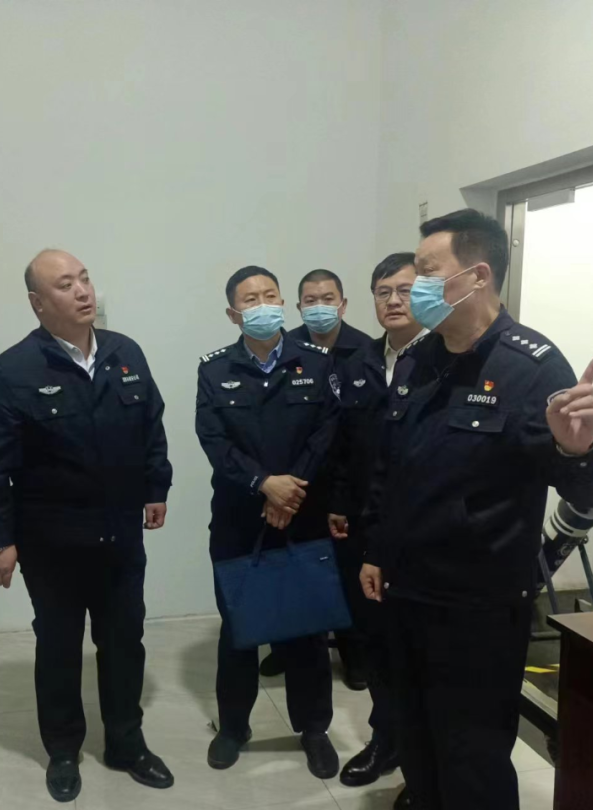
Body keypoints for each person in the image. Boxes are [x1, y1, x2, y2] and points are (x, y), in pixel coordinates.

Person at [359, 210, 593, 810]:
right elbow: (391, 469)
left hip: (478, 610)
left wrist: (579, 448)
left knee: (473, 758)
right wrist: (376, 551)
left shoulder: (529, 366)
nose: (414, 286)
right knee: (416, 737)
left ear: (477, 276)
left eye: (427, 271)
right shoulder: (419, 358)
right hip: (407, 596)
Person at [0, 249, 175, 804]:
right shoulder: (12, 372)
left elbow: (151, 426)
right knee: (59, 646)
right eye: (65, 284)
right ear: (38, 303)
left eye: (84, 278)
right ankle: (63, 749)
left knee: (124, 642)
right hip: (52, 542)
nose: (83, 291)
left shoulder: (125, 353)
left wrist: (156, 487)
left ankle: (126, 743)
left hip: (120, 535)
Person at [195, 265, 342, 778]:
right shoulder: (214, 369)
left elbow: (326, 434)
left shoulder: (316, 362)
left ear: (283, 304)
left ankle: (314, 729)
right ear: (233, 313)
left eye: (270, 295)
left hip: (301, 517)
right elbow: (214, 441)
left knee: (307, 629)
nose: (262, 305)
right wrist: (264, 484)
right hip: (240, 520)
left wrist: (289, 490)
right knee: (239, 630)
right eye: (250, 299)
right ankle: (234, 727)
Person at [327, 253, 426, 792]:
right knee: (377, 642)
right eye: (383, 291)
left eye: (405, 290)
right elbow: (344, 446)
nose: (393, 301)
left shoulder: (445, 359)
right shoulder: (359, 361)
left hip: (424, 532)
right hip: (366, 528)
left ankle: (422, 760)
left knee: (422, 650)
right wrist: (340, 504)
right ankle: (386, 738)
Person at [262, 267, 373, 683]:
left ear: (343, 304)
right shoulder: (285, 347)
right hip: (297, 480)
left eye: (328, 299)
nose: (320, 306)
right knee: (290, 570)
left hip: (347, 481)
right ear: (298, 306)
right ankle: (286, 649)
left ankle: (354, 653)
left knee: (345, 571)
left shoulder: (365, 350)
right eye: (311, 300)